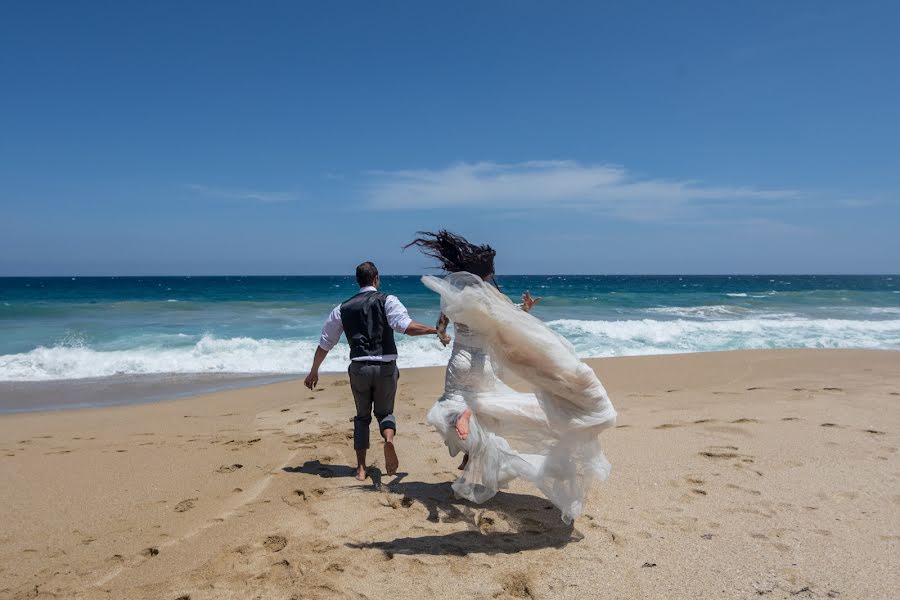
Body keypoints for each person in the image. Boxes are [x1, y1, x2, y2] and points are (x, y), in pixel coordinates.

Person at [406, 231, 617, 522]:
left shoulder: (454, 293)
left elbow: (443, 325)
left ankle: (467, 418)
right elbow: (506, 322)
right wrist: (525, 310)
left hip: (461, 358)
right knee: (489, 405)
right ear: (487, 272)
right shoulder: (489, 297)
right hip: (483, 362)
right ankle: (470, 419)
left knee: (449, 404)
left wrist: (442, 335)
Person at [304, 261, 446, 481]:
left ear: (357, 280)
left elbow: (325, 342)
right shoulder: (388, 300)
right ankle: (388, 440)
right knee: (385, 413)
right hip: (386, 367)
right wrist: (434, 330)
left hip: (359, 367)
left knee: (362, 417)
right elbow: (405, 327)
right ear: (376, 278)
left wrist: (314, 371)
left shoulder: (342, 308)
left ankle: (361, 469)